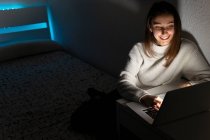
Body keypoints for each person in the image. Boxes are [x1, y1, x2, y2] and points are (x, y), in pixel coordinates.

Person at [118, 1, 210, 110]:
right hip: (137, 101)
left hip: (168, 100)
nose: (164, 32)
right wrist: (144, 97)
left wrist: (188, 86)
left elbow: (207, 78)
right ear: (150, 27)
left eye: (170, 26)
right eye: (158, 26)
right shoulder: (138, 50)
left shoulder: (186, 48)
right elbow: (123, 83)